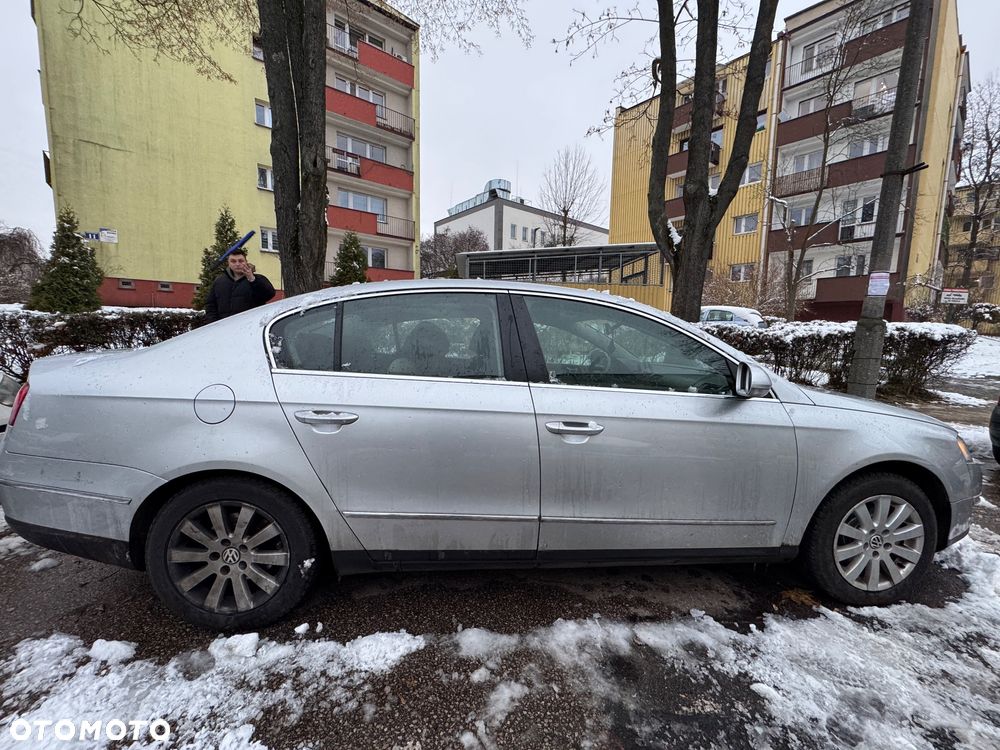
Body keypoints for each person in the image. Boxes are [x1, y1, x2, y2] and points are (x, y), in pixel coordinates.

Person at [204, 250, 276, 322]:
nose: (237, 264)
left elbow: (269, 294)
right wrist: (214, 323)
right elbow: (210, 305)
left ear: (246, 262)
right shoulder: (219, 281)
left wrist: (252, 279)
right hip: (224, 327)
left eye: (241, 261)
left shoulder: (257, 279)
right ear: (228, 263)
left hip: (249, 325)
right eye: (233, 261)